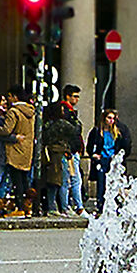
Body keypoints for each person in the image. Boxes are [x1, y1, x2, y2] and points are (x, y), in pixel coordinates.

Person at [37, 85, 85, 214]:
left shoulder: (51, 124)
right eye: (75, 96)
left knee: (58, 181)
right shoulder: (63, 123)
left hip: (59, 153)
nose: (77, 99)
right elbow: (75, 132)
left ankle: (58, 206)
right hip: (63, 153)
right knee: (65, 181)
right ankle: (66, 206)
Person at [0, 92, 37, 215]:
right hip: (27, 149)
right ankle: (27, 207)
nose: (8, 100)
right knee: (24, 179)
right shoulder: (30, 112)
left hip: (15, 150)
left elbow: (6, 130)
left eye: (9, 97)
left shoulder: (13, 112)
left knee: (16, 180)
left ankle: (20, 208)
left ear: (15, 97)